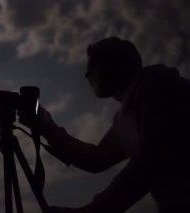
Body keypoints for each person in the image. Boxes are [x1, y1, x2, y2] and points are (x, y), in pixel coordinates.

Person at [19, 37, 190, 213]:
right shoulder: (130, 110)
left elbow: (149, 162)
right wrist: (48, 128)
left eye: (91, 66)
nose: (86, 75)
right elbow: (97, 158)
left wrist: (90, 211)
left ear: (111, 65)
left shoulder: (155, 84)